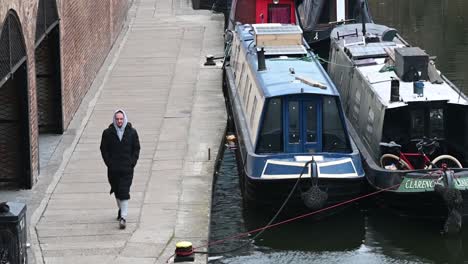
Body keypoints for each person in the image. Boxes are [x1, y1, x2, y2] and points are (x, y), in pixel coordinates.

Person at [100, 109, 140, 229]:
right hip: (113, 170)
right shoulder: (107, 133)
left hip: (127, 169)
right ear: (114, 120)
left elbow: (136, 148)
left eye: (121, 119)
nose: (119, 121)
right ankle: (121, 209)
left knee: (124, 191)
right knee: (117, 191)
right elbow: (103, 149)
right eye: (117, 119)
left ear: (124, 119)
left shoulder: (132, 133)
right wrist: (109, 163)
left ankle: (123, 217)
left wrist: (132, 162)